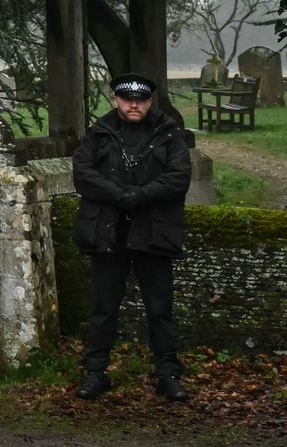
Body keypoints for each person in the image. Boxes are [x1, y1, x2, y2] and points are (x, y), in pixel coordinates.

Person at [70, 72, 190, 402]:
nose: (133, 104)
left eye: (140, 100)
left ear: (150, 102)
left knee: (160, 308)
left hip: (154, 232)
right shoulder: (99, 133)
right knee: (103, 308)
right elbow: (83, 173)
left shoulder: (169, 134)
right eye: (127, 99)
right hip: (108, 233)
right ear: (116, 100)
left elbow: (178, 177)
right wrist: (120, 195)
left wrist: (140, 196)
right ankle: (96, 373)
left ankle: (168, 375)